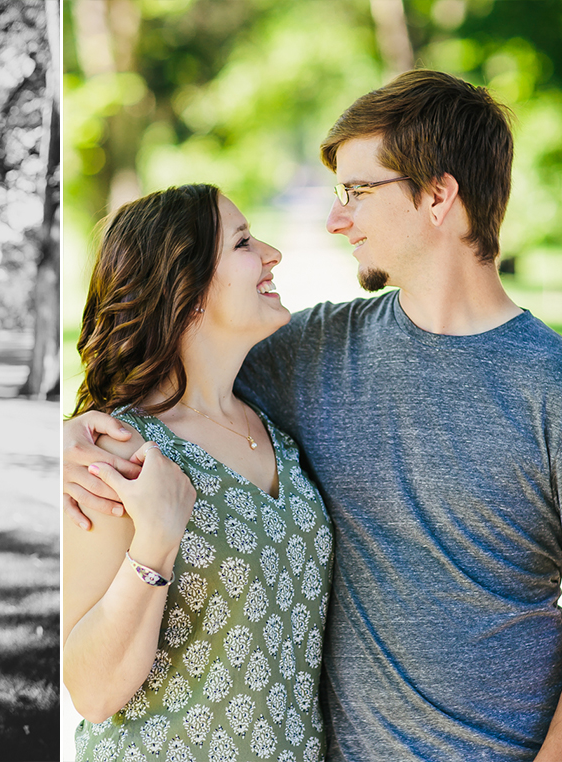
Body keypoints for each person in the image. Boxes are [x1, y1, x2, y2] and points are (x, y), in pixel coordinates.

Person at [63, 70, 562, 761]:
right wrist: (70, 440)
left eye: (359, 191)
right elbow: (166, 379)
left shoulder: (550, 385)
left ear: (440, 196)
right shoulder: (311, 353)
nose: (335, 218)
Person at [63, 183, 334, 762]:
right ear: (185, 293)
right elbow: (92, 691)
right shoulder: (120, 451)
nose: (272, 254)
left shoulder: (275, 431)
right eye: (242, 243)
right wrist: (156, 544)